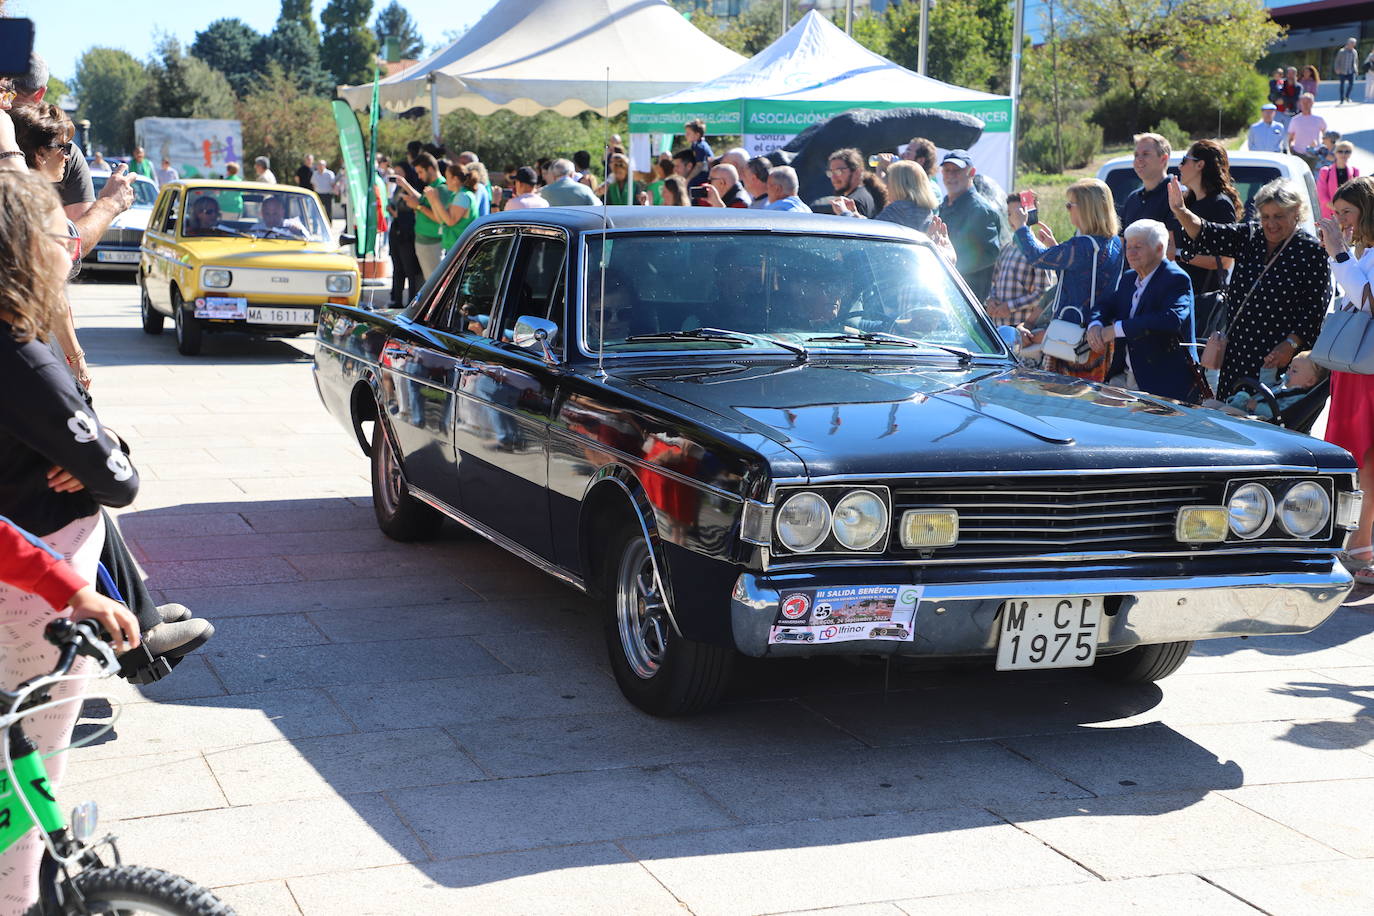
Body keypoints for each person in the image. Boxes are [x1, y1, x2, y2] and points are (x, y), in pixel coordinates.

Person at [0, 170, 143, 908]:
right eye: (64, 234)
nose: (73, 246)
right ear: (26, 249)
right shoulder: (22, 356)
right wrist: (109, 453)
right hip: (28, 596)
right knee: (28, 780)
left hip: (35, 575)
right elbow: (117, 479)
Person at [1171, 176, 1330, 397]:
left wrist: (1291, 344)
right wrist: (1180, 210)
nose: (1271, 224)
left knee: (1268, 420)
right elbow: (1207, 232)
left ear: (1296, 213)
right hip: (1238, 351)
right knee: (1231, 415)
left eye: (1279, 216)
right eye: (1266, 216)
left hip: (1278, 357)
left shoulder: (1311, 251)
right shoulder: (1250, 235)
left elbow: (1315, 308)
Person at [1009, 178, 1124, 381]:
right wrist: (1057, 247)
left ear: (1087, 209)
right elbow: (1084, 276)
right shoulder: (1113, 242)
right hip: (1097, 335)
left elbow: (1036, 257)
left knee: (1064, 402)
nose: (1067, 209)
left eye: (1069, 205)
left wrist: (1021, 228)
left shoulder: (1083, 246)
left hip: (1073, 338)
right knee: (1089, 401)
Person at [1317, 176, 1374, 581]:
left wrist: (1338, 251)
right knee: (1354, 457)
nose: (1339, 221)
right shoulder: (1363, 251)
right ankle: (1354, 540)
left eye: (1347, 213)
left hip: (1368, 370)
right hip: (1354, 369)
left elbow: (1367, 299)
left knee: (1367, 458)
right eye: (1336, 214)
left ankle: (1363, 546)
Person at [1087, 219, 1202, 401]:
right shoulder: (1129, 278)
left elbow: (1171, 319)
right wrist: (1095, 324)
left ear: (1159, 248)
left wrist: (1116, 330)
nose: (1131, 253)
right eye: (1128, 246)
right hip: (1124, 377)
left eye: (1138, 247)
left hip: (1161, 383)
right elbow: (1106, 305)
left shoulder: (1176, 278)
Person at [1175, 140, 1242, 313]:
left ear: (1200, 165)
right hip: (1182, 296)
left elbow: (1225, 261)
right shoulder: (1187, 204)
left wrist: (1179, 255)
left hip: (1204, 302)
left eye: (1184, 160)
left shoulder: (1220, 204)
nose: (1179, 166)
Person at [938, 149, 1006, 299]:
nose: (950, 176)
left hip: (968, 296)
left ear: (972, 172)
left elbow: (990, 253)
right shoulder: (944, 205)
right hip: (945, 290)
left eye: (956, 171)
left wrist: (950, 265)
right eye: (947, 170)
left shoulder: (980, 210)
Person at [985, 192, 1054, 327]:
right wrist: (991, 300)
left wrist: (1010, 306)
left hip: (1022, 327)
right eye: (1010, 214)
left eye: (1018, 213)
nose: (1013, 218)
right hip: (999, 325)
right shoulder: (1006, 249)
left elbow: (1043, 292)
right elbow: (995, 283)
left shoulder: (1038, 250)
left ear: (1028, 214)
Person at [1211, 351, 1326, 418]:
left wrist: (1257, 407)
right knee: (1210, 403)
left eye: (1294, 371)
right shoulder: (1283, 386)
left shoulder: (1298, 398)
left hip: (1263, 421)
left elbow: (1281, 414)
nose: (1288, 371)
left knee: (1225, 410)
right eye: (1289, 367)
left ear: (1310, 381)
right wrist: (1268, 370)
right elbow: (1268, 387)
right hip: (1251, 412)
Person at [395, 152, 447, 279]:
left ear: (430, 169)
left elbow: (439, 218)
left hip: (432, 244)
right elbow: (422, 201)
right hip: (426, 243)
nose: (419, 176)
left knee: (433, 283)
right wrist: (405, 185)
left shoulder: (441, 189)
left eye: (420, 172)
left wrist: (418, 207)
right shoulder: (433, 187)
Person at [1119, 133, 1173, 231]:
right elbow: (1122, 241)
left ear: (1163, 159)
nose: (1139, 159)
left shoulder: (1177, 195)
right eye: (1136, 155)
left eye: (1145, 154)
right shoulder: (1132, 199)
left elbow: (1175, 243)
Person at [434, 160, 478, 253]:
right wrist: (433, 201)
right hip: (455, 246)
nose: (446, 181)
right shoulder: (457, 195)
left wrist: (436, 200)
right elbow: (442, 220)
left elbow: (450, 221)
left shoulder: (462, 196)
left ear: (455, 179)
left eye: (447, 177)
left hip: (459, 248)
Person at [824, 148, 882, 218]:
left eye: (838, 171)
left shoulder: (853, 203)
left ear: (857, 172)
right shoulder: (868, 192)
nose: (833, 178)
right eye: (831, 172)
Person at [1318, 141, 1360, 218]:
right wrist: (1334, 207)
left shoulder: (1355, 171)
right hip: (1330, 214)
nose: (1344, 154)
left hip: (1349, 214)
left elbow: (1357, 193)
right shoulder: (1325, 171)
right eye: (1340, 151)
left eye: (1347, 151)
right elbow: (1321, 193)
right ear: (1335, 153)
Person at [1287, 94, 1327, 167]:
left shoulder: (1319, 119)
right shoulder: (1295, 120)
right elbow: (1290, 138)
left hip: (1315, 154)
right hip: (1299, 154)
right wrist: (1291, 151)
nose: (1305, 105)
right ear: (1300, 104)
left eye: (1308, 102)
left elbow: (1326, 136)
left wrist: (1322, 149)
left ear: (1312, 103)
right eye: (1303, 102)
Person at [902, 137, 944, 202]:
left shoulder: (932, 190)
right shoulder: (903, 181)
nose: (903, 155)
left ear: (921, 160)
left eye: (908, 152)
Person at [683, 118, 712, 189]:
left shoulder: (699, 146)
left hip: (704, 176)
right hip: (704, 175)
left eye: (688, 133)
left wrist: (688, 179)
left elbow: (700, 166)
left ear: (697, 135)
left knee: (690, 187)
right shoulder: (696, 145)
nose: (686, 135)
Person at [1335, 38, 1359, 105]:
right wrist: (1337, 69)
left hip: (1351, 71)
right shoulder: (1341, 51)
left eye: (1354, 44)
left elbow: (1356, 61)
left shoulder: (1354, 52)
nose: (1353, 45)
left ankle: (1347, 96)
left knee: (1351, 84)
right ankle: (1342, 99)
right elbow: (1337, 61)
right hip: (1342, 71)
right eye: (1352, 43)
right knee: (1342, 85)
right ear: (1348, 43)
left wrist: (1356, 69)